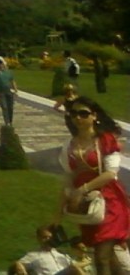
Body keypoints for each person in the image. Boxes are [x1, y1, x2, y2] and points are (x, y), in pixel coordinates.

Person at [55, 97, 130, 274]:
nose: (78, 118)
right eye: (74, 114)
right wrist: (57, 215)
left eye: (83, 114)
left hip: (110, 202)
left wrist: (83, 189)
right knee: (109, 257)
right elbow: (68, 177)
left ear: (94, 116)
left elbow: (110, 173)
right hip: (86, 206)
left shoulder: (105, 140)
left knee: (101, 256)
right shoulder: (69, 145)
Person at [8, 224, 83, 275]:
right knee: (74, 268)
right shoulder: (34, 255)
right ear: (39, 239)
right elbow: (15, 266)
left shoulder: (61, 253)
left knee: (77, 268)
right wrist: (17, 264)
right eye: (45, 237)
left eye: (50, 237)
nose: (48, 240)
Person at [0, 59, 19, 126]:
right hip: (0, 92)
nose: (0, 66)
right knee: (4, 106)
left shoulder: (8, 72)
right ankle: (6, 122)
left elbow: (12, 81)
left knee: (10, 107)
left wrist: (16, 90)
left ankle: (10, 120)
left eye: (1, 64)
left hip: (9, 91)